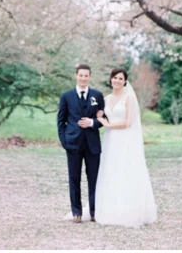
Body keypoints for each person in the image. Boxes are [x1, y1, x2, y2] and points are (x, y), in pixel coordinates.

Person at [93, 67, 157, 228]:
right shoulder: (106, 99)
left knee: (125, 170)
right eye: (115, 78)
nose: (117, 81)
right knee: (111, 170)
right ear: (111, 79)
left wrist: (108, 124)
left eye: (120, 78)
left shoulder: (128, 98)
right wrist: (99, 117)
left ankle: (129, 211)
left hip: (124, 139)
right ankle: (109, 209)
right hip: (110, 140)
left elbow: (129, 121)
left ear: (125, 81)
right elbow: (100, 114)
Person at [57, 63, 105, 223]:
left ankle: (93, 212)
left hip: (92, 145)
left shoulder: (97, 96)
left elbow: (104, 119)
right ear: (76, 75)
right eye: (81, 75)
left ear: (90, 76)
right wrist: (65, 141)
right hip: (73, 144)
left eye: (86, 75)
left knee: (94, 179)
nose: (83, 78)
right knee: (74, 178)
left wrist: (92, 122)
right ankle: (76, 212)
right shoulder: (66, 96)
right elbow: (61, 120)